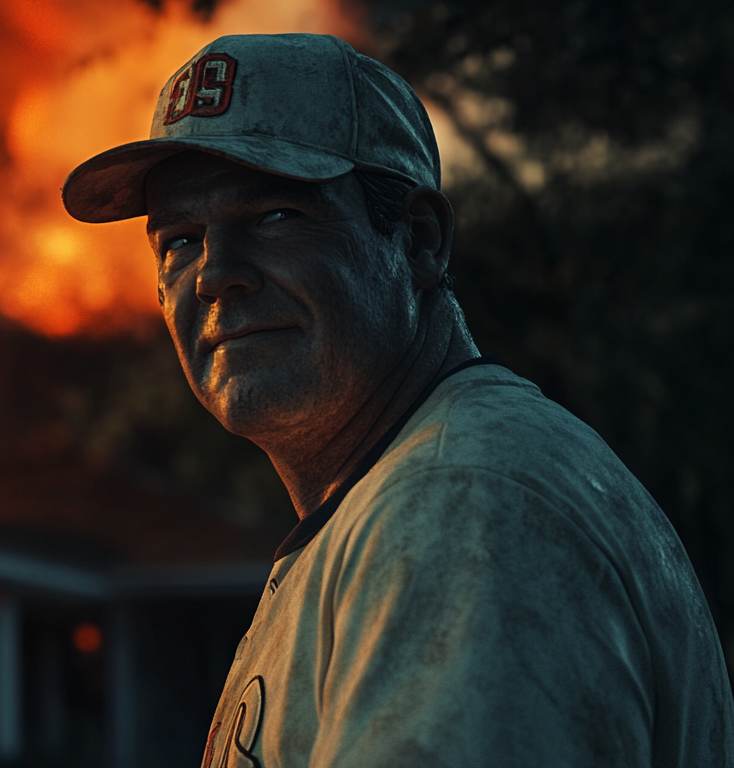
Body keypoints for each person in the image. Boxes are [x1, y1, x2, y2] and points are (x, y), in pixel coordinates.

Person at [61, 33, 734, 767]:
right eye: (180, 241)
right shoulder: (392, 502)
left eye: (276, 216)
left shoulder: (458, 503)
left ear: (418, 241)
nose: (217, 274)